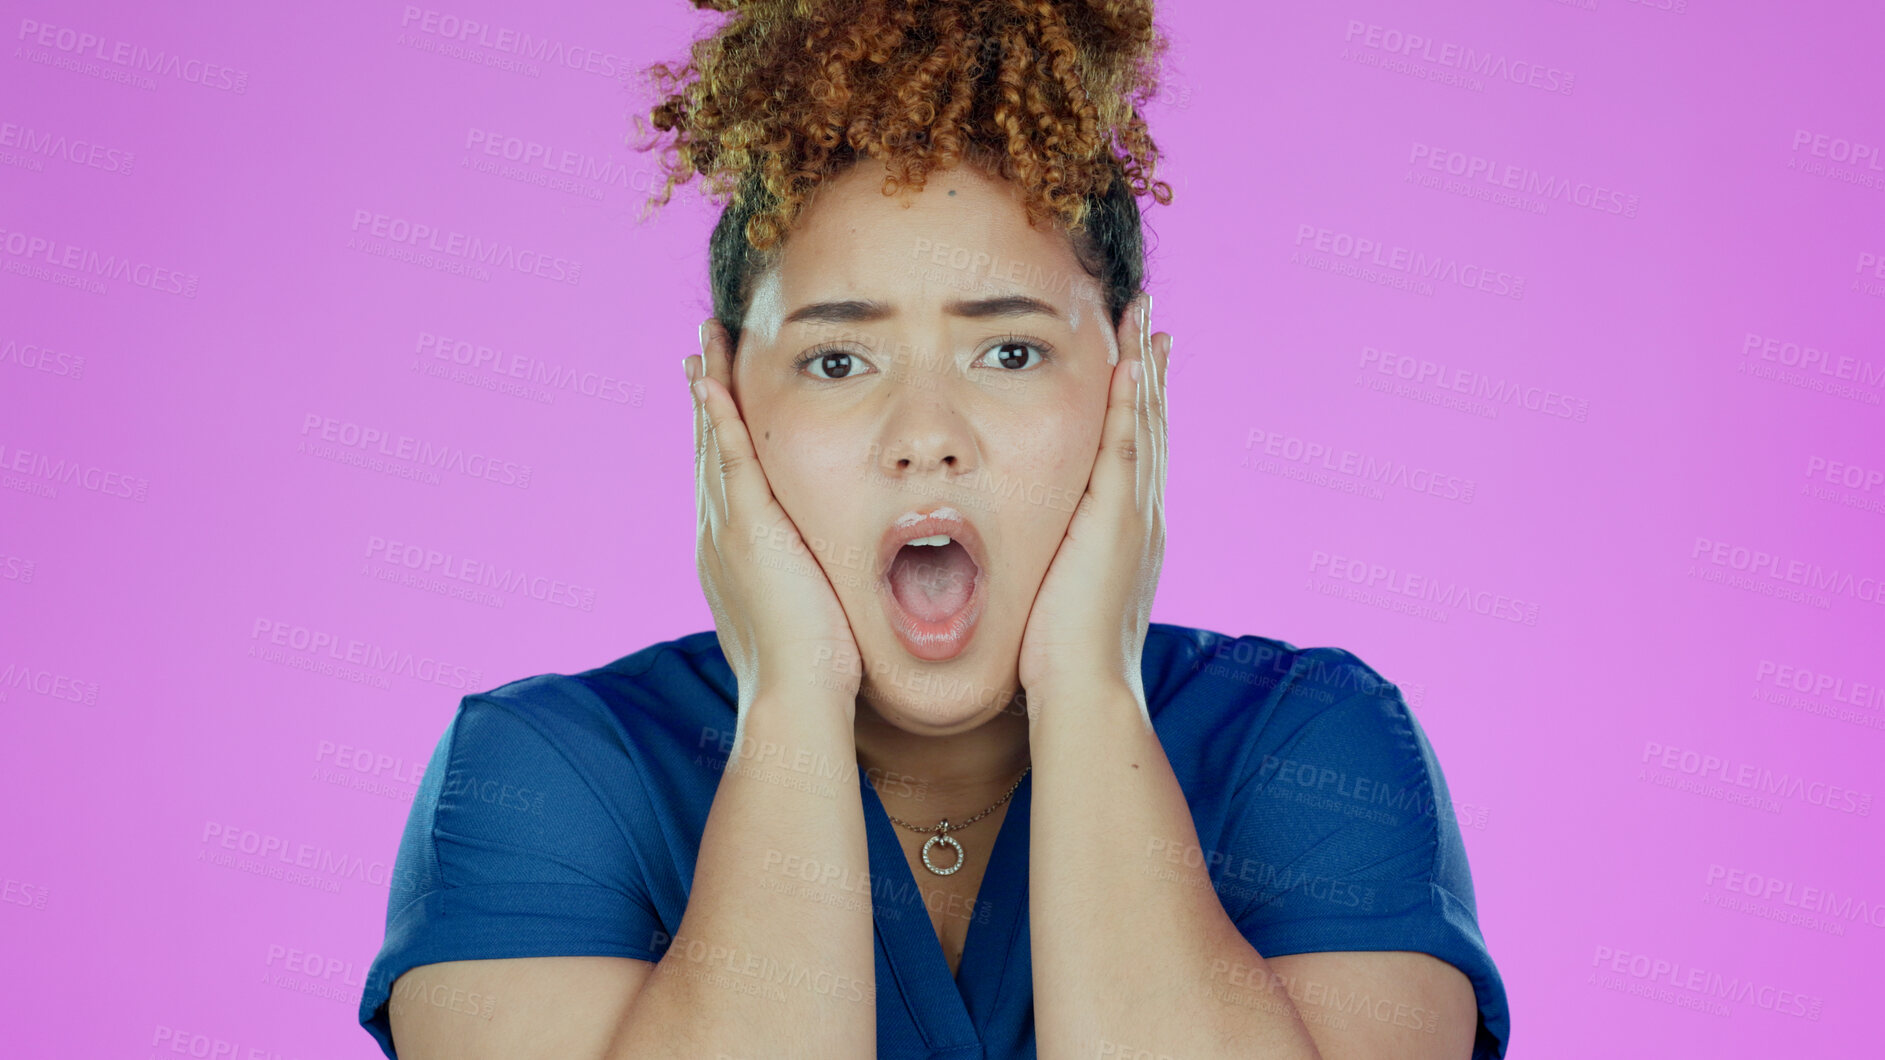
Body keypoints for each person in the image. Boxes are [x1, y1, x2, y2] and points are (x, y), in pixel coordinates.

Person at [358, 1, 1510, 1056]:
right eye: (838, 357)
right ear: (724, 400)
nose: (926, 434)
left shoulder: (1311, 749)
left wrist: (1091, 687)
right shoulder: (544, 776)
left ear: (1128, 384)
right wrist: (792, 700)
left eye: (1008, 351)